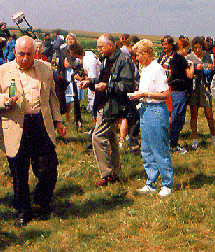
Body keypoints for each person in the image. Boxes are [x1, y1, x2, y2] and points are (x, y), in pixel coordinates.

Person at [0, 36, 66, 226]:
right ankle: (23, 212)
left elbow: (52, 98)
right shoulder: (3, 71)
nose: (25, 58)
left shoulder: (45, 69)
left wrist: (58, 121)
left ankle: (42, 202)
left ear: (35, 53)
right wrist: (4, 100)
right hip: (15, 125)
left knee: (48, 169)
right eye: (21, 54)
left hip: (40, 125)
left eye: (29, 54)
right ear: (14, 53)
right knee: (19, 174)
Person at [79, 34, 136, 186]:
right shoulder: (107, 59)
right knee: (111, 139)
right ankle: (115, 172)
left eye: (101, 47)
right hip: (104, 103)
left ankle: (107, 174)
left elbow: (128, 86)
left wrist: (107, 87)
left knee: (97, 137)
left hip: (114, 105)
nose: (99, 50)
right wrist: (89, 83)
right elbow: (103, 80)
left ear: (110, 45)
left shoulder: (124, 60)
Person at [128, 39, 174, 197]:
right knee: (146, 148)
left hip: (155, 110)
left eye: (138, 55)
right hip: (145, 109)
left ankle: (167, 184)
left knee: (159, 149)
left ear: (146, 54)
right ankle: (151, 181)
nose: (136, 58)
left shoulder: (156, 69)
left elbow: (165, 94)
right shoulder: (145, 69)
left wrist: (144, 95)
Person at [186, 36, 215, 149]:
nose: (197, 50)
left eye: (199, 48)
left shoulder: (208, 57)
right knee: (194, 114)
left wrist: (209, 68)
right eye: (195, 48)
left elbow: (213, 70)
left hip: (205, 87)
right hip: (194, 88)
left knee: (209, 114)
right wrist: (194, 68)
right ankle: (195, 138)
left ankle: (214, 137)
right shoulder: (189, 57)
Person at [168, 38, 195, 153]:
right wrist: (192, 65)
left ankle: (170, 142)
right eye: (187, 48)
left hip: (173, 91)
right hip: (180, 91)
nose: (187, 50)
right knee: (177, 118)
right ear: (183, 48)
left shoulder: (173, 58)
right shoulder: (182, 59)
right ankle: (173, 144)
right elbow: (189, 75)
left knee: (173, 116)